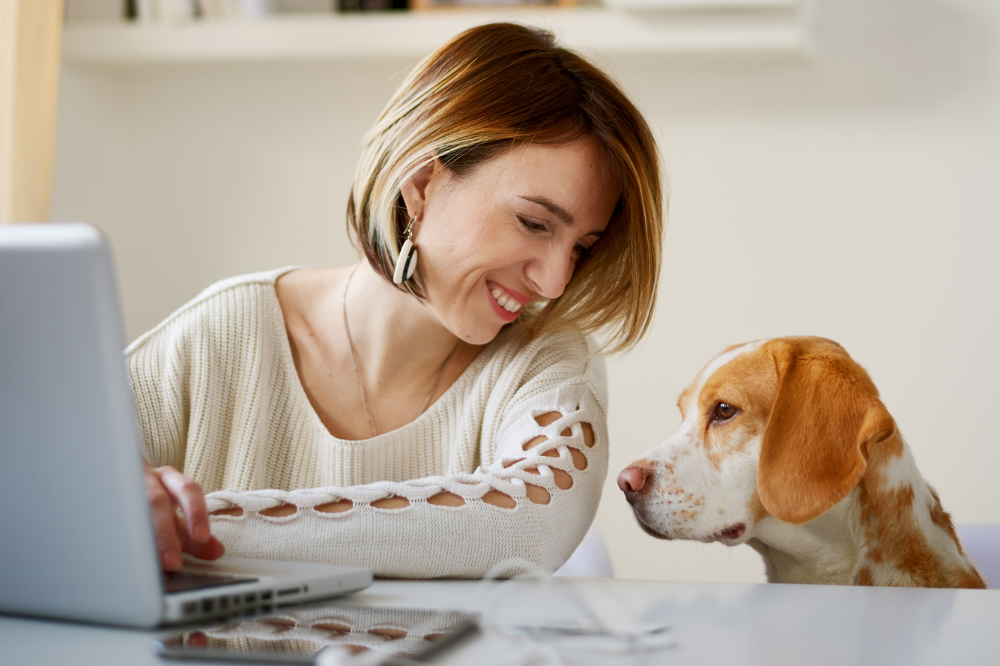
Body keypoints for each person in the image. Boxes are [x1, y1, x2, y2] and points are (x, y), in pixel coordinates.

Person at [128, 22, 663, 578]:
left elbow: (529, 527)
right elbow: (49, 484)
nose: (554, 282)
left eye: (581, 247)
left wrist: (181, 528)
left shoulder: (546, 365)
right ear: (422, 181)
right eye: (533, 223)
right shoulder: (218, 337)